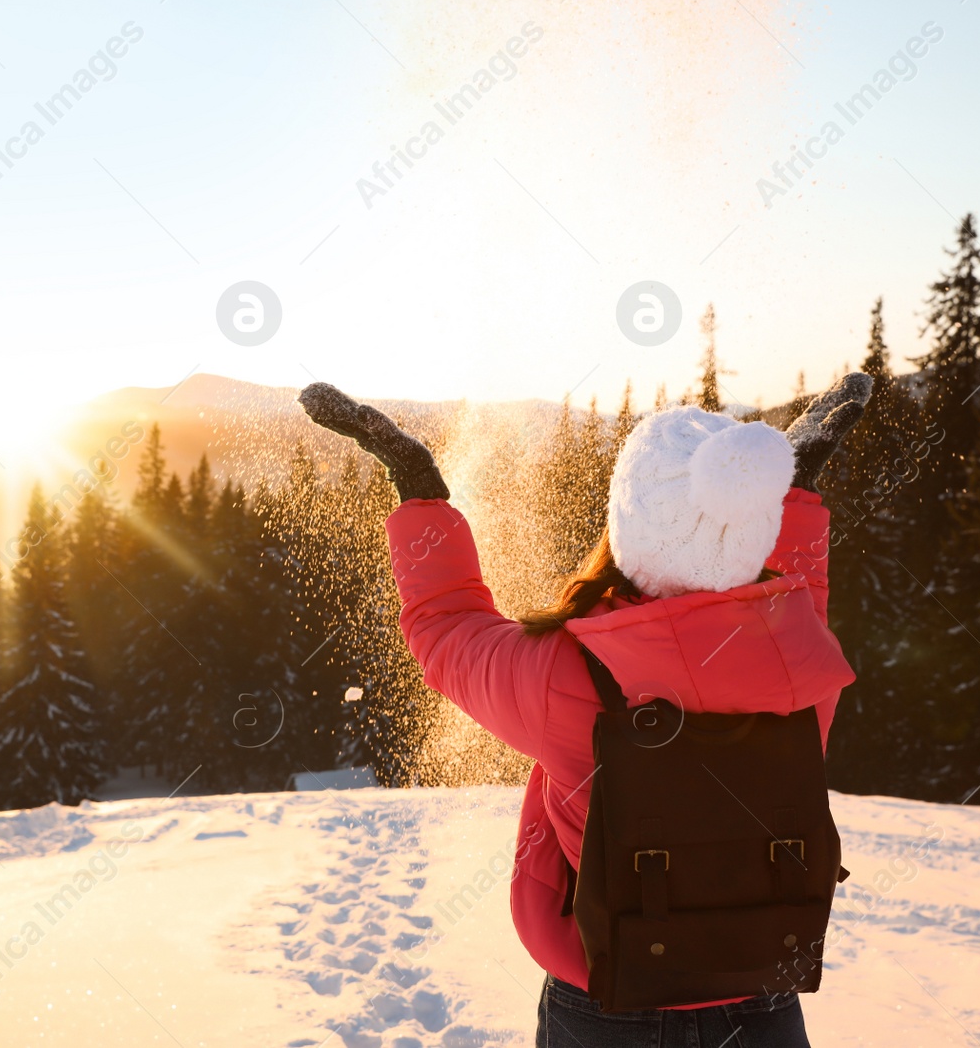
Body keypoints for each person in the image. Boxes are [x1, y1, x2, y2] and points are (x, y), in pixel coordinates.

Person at [298, 374, 871, 1048]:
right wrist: (792, 497)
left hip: (608, 1000)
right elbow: (801, 592)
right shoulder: (803, 668)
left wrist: (419, 486)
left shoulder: (567, 674)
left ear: (628, 522)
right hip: (762, 998)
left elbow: (446, 631)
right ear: (752, 525)